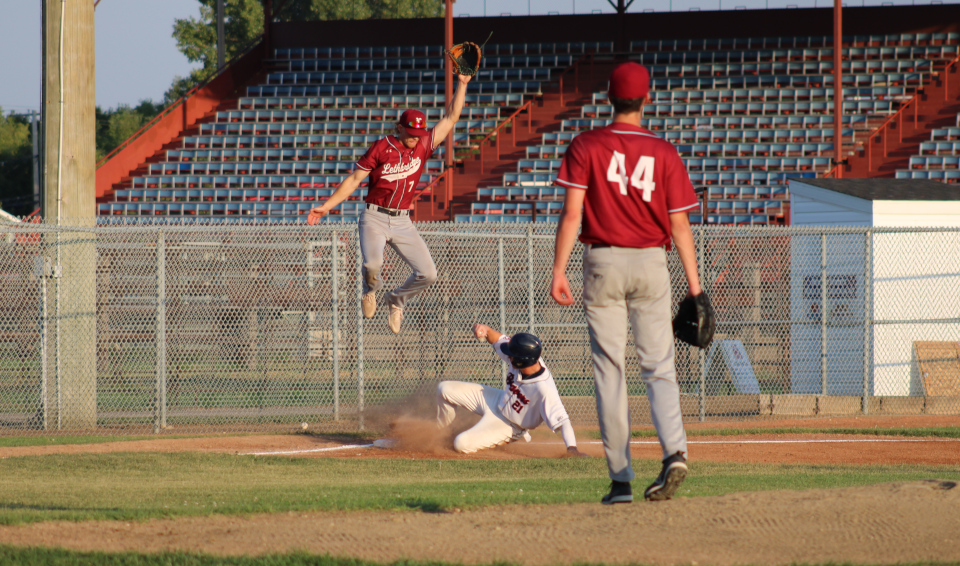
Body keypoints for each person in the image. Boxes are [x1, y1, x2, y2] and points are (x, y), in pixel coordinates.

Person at [549, 62, 704, 504]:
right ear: (646, 99)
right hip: (653, 263)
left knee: (610, 372)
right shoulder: (665, 152)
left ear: (610, 97)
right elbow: (680, 227)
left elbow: (572, 214)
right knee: (659, 367)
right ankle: (675, 452)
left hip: (603, 262)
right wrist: (695, 289)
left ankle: (620, 481)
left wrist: (558, 270)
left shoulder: (586, 144)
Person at [307, 74, 473, 334]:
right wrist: (327, 206)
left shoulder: (422, 146)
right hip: (374, 218)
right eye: (411, 132)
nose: (416, 137)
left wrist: (462, 84)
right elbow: (353, 180)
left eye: (420, 133)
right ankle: (370, 290)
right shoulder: (381, 147)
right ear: (399, 127)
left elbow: (451, 117)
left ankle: (396, 300)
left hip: (402, 220)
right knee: (372, 265)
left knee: (428, 274)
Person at [435, 323, 588, 457]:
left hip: (511, 424)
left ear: (523, 361)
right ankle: (439, 433)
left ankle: (519, 435)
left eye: (512, 356)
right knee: (444, 389)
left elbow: (564, 422)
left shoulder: (544, 389)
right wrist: (485, 329)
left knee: (461, 443)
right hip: (498, 400)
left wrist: (572, 449)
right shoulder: (522, 354)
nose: (509, 357)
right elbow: (496, 338)